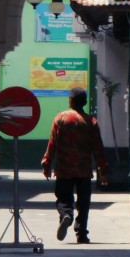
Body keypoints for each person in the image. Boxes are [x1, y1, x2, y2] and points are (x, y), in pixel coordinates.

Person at [41, 87, 108, 244]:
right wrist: (103, 169)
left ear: (70, 101)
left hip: (64, 169)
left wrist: (47, 163)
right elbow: (98, 148)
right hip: (84, 170)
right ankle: (81, 233)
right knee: (84, 202)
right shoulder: (91, 122)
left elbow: (52, 144)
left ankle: (66, 215)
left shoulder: (61, 118)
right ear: (84, 102)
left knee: (64, 197)